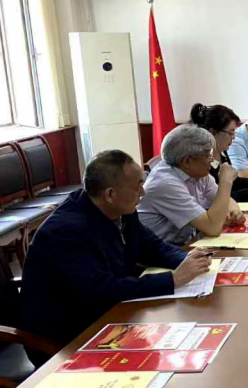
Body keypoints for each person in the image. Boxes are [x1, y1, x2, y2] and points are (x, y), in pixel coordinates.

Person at [19, 150, 212, 355]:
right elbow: (102, 289)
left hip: (111, 315)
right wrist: (173, 279)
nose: (143, 192)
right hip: (67, 337)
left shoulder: (121, 209)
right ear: (110, 194)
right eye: (138, 186)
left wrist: (189, 259)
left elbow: (152, 247)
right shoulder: (66, 232)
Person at [139, 125, 245, 245]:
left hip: (187, 243)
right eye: (208, 156)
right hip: (163, 251)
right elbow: (212, 228)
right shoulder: (165, 184)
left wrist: (235, 212)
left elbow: (223, 199)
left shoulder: (197, 172)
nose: (212, 161)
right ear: (187, 161)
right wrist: (226, 182)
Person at [189, 103, 248, 202]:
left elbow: (235, 182)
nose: (234, 137)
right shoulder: (201, 162)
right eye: (230, 133)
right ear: (213, 132)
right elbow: (217, 199)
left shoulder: (222, 152)